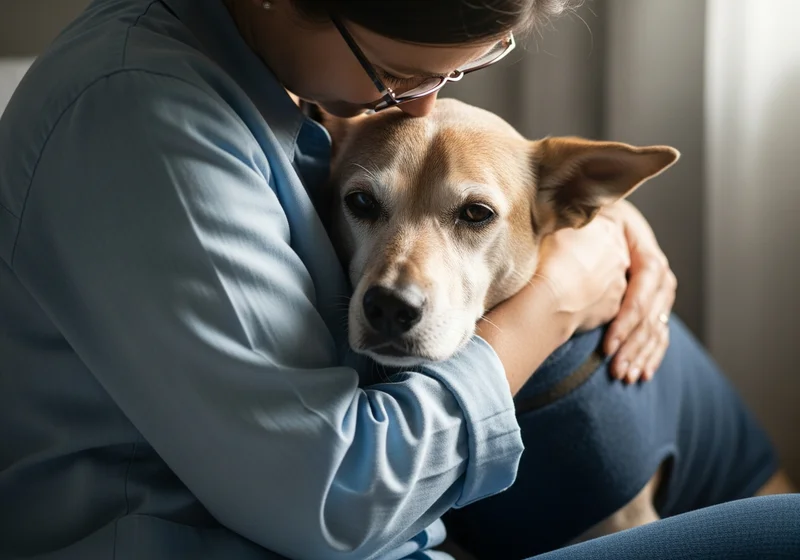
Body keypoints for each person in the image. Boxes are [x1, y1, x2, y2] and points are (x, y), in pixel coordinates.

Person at [0, 0, 797, 559]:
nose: (417, 107)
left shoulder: (270, 85)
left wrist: (599, 219)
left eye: (456, 73)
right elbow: (327, 496)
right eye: (390, 73)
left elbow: (474, 169)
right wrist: (546, 307)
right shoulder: (149, 120)